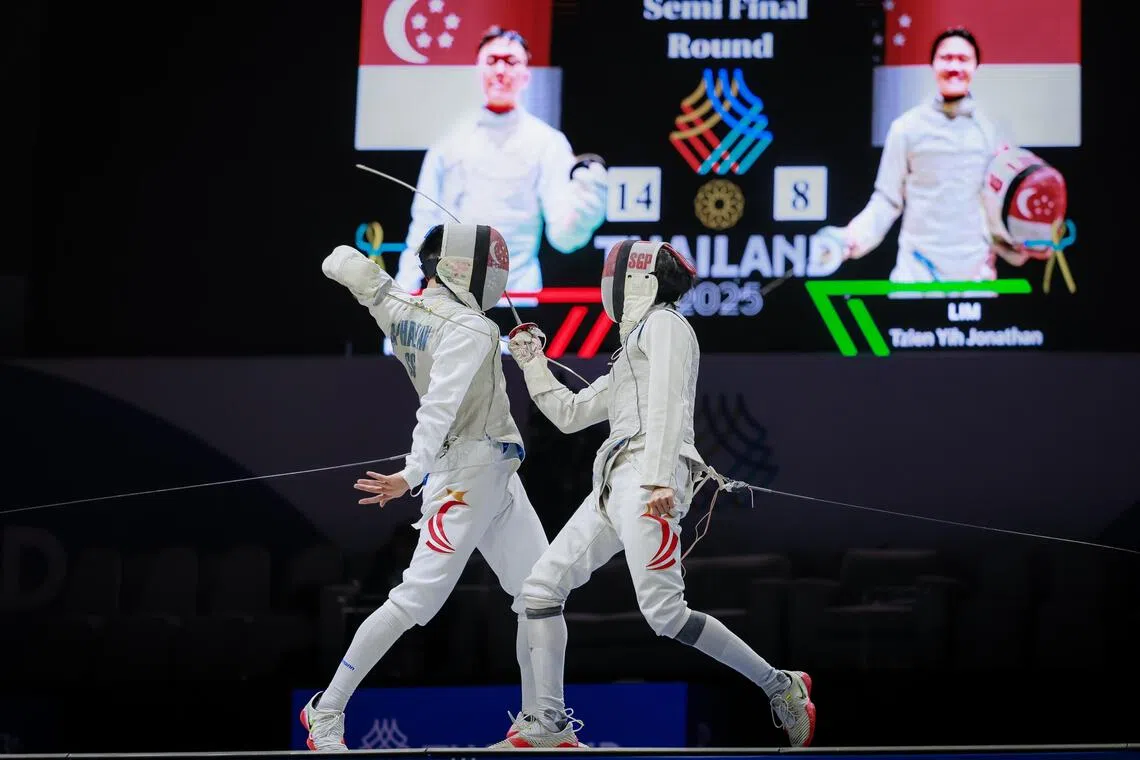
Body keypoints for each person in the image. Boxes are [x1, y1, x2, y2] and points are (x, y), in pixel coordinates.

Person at [496, 240, 817, 749]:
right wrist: (533, 363)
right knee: (539, 590)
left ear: (638, 281)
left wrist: (660, 478)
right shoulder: (630, 352)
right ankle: (550, 727)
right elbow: (571, 413)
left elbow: (668, 400)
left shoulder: (667, 326)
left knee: (666, 615)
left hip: (647, 480)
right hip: (613, 484)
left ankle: (781, 686)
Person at [300, 223, 550, 751]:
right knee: (417, 601)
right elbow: (439, 404)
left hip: (498, 475)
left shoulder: (399, 307)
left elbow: (338, 261)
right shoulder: (471, 327)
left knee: (540, 594)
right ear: (463, 269)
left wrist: (361, 267)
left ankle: (539, 724)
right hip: (463, 476)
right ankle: (327, 708)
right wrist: (411, 474)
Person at [395, 26, 608, 296]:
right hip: (452, 295)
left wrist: (588, 209)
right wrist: (403, 294)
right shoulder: (448, 143)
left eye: (511, 62)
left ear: (526, 74)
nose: (500, 70)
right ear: (478, 69)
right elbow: (423, 224)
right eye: (492, 60)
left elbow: (565, 236)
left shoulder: (547, 143)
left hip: (518, 297)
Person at [830, 27, 1031, 286]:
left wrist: (1025, 241)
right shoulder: (907, 128)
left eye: (963, 59)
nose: (954, 66)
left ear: (976, 67)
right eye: (946, 58)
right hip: (916, 276)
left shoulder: (992, 131)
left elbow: (1000, 207)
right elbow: (887, 200)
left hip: (974, 276)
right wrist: (851, 237)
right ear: (933, 64)